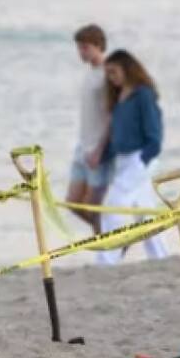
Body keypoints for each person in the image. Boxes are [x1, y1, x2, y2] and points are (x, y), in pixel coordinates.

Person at [96, 50, 170, 265]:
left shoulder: (143, 95)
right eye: (108, 74)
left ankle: (107, 260)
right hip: (123, 160)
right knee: (145, 214)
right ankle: (161, 258)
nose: (111, 78)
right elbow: (118, 135)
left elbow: (154, 133)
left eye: (114, 72)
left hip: (139, 159)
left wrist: (143, 160)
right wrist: (103, 156)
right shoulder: (119, 98)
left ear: (127, 69)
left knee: (113, 206)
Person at [68, 24, 111, 233]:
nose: (81, 52)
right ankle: (111, 239)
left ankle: (107, 248)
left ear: (98, 45)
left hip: (98, 150)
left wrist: (100, 150)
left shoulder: (107, 75)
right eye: (79, 48)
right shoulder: (90, 74)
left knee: (95, 207)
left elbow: (112, 116)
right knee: (73, 203)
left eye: (85, 47)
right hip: (82, 147)